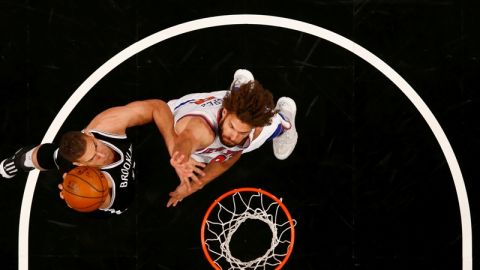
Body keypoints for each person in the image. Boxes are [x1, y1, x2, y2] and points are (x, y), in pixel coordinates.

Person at [0, 99, 191, 214]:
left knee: (55, 153)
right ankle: (21, 161)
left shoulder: (106, 124)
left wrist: (174, 148)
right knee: (54, 158)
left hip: (140, 163)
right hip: (110, 197)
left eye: (96, 147)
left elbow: (157, 106)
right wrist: (75, 194)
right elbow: (86, 196)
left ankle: (22, 158)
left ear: (90, 136)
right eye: (92, 159)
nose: (101, 154)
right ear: (79, 164)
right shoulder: (82, 174)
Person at [167, 69, 298, 207]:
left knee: (271, 124)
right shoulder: (201, 129)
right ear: (224, 112)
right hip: (194, 112)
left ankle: (284, 120)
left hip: (225, 108)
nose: (234, 137)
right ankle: (242, 89)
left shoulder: (248, 129)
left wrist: (193, 187)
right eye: (232, 127)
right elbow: (187, 139)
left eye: (242, 132)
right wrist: (180, 156)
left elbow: (226, 159)